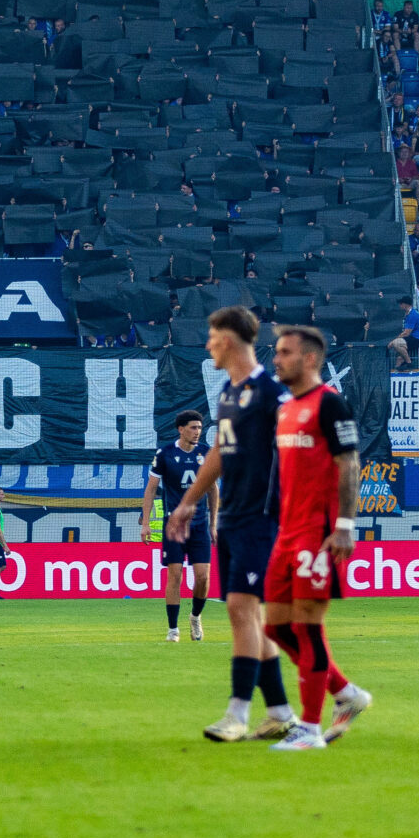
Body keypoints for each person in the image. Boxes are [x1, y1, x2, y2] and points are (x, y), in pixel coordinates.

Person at [167, 307, 299, 743]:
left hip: (263, 517)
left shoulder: (270, 394)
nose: (208, 345)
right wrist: (187, 504)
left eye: (211, 337)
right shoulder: (228, 393)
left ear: (227, 339)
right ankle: (279, 711)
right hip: (233, 517)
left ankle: (237, 715)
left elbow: (304, 453)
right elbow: (219, 455)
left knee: (243, 610)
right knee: (248, 614)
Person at [257, 327, 378, 751]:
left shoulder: (330, 403)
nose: (276, 360)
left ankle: (309, 731)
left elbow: (349, 463)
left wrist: (345, 525)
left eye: (285, 353)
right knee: (273, 626)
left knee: (308, 628)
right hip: (286, 533)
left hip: (319, 532)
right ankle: (346, 693)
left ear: (309, 359)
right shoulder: (287, 409)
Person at [143, 410, 212, 641]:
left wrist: (214, 522)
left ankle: (195, 617)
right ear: (180, 429)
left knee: (202, 577)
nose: (197, 432)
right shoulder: (165, 453)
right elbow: (151, 488)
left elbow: (213, 488)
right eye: (193, 427)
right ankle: (173, 629)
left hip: (200, 524)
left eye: (200, 428)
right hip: (174, 525)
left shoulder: (206, 453)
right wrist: (145, 522)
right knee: (175, 574)